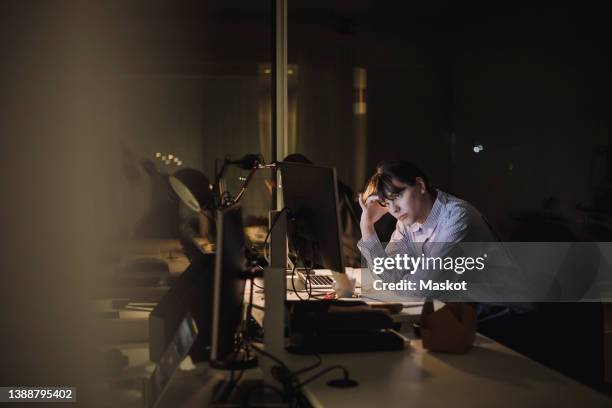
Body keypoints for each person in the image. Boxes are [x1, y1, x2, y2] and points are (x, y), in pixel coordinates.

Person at [357, 160, 499, 300]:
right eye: (387, 203)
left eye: (397, 196)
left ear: (420, 185)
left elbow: (424, 288)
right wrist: (367, 226)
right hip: (458, 308)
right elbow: (390, 275)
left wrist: (403, 282)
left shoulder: (457, 216)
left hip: (499, 309)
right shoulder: (405, 223)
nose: (394, 209)